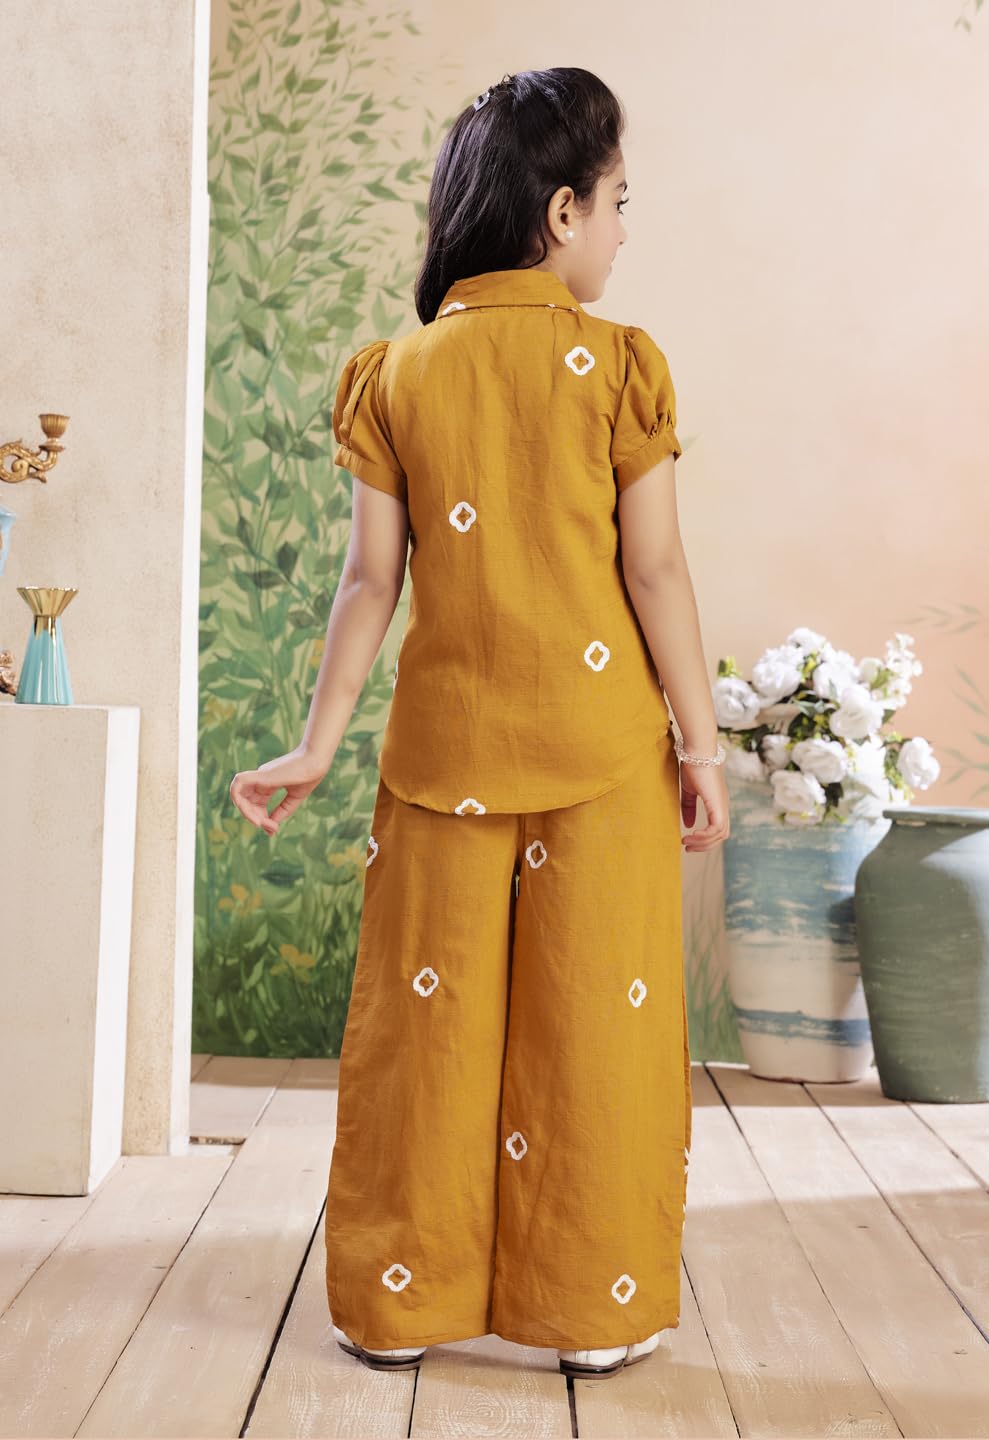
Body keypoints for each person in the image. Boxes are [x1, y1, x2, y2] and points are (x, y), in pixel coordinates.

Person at [230, 66, 730, 1381]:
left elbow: (369, 583)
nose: (622, 229)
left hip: (438, 757)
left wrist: (318, 743)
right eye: (618, 202)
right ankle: (593, 1310)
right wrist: (700, 746)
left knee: (424, 1029)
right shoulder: (618, 368)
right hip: (603, 756)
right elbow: (656, 573)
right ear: (562, 213)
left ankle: (394, 1306)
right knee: (598, 1025)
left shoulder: (396, 372)